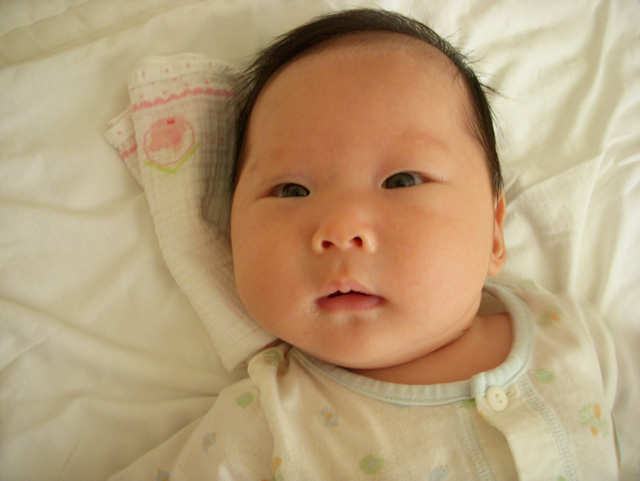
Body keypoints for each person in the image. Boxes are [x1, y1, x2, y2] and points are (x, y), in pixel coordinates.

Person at [128, 9, 622, 479]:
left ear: (495, 231)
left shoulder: (570, 334)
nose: (340, 229)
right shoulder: (262, 425)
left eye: (402, 181)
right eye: (292, 190)